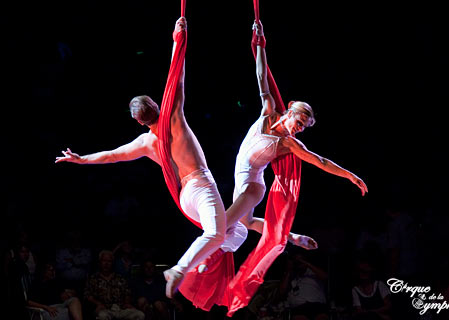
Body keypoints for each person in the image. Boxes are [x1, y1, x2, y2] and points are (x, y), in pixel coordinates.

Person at [55, 17, 247, 298]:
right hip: (202, 187)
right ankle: (180, 268)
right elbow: (176, 76)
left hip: (186, 198)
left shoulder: (146, 142)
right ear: (157, 104)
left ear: (139, 122)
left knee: (237, 231)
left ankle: (205, 259)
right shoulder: (175, 120)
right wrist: (177, 40)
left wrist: (81, 159)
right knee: (218, 234)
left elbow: (112, 156)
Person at [224, 20, 368, 249]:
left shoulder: (289, 144)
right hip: (239, 179)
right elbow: (261, 75)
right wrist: (259, 43)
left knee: (219, 226)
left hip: (253, 186)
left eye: (303, 127)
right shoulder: (268, 111)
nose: (299, 128)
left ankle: (195, 267)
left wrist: (349, 175)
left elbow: (320, 161)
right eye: (299, 122)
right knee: (247, 223)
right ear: (289, 110)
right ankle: (293, 237)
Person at [84, 250, 144, 320]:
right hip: (105, 309)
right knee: (102, 316)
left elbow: (127, 292)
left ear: (112, 263)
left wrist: (127, 303)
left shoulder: (119, 278)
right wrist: (98, 304)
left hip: (121, 308)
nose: (106, 264)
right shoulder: (93, 278)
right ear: (100, 262)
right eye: (104, 261)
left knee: (140, 315)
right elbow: (87, 295)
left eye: (109, 261)